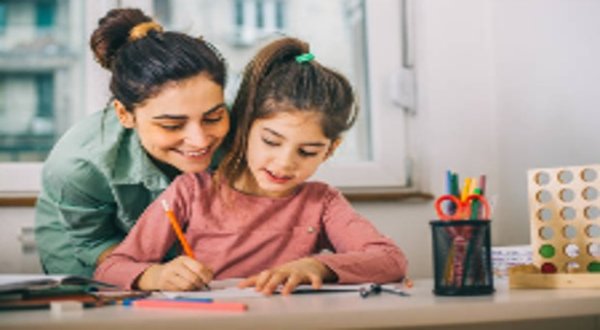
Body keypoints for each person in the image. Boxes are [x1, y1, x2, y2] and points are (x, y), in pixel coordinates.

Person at [94, 37, 408, 295]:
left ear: (329, 150)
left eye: (308, 151)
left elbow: (391, 260)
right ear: (245, 128)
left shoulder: (321, 202)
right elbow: (110, 268)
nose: (285, 163)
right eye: (271, 141)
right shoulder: (191, 192)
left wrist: (317, 267)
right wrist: (156, 276)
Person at [34, 8, 230, 277]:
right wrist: (149, 275)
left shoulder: (246, 130)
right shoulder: (78, 165)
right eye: (172, 125)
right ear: (125, 114)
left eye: (213, 117)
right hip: (90, 253)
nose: (200, 140)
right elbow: (92, 243)